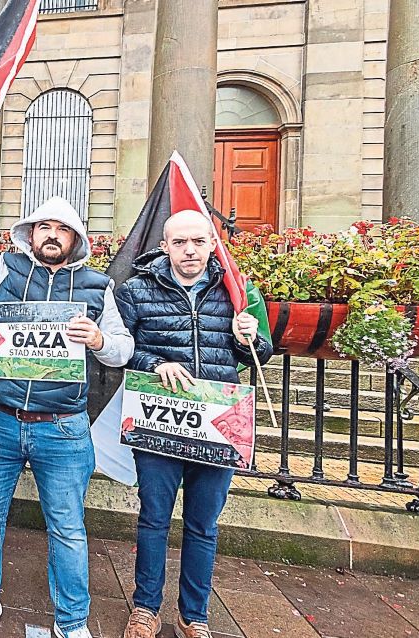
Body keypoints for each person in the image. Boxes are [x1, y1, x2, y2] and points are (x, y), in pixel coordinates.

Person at [0, 165, 134, 638]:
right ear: (30, 232)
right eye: (44, 226)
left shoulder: (98, 287)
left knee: (67, 528)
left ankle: (72, 620)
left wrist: (98, 340)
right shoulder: (5, 268)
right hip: (3, 417)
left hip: (63, 426)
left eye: (62, 229)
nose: (52, 235)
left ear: (76, 239)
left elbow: (124, 348)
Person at [115, 210, 273, 638]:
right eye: (180, 242)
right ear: (165, 246)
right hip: (160, 422)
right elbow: (122, 349)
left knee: (203, 525)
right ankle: (146, 609)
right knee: (153, 520)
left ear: (211, 245)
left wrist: (251, 337)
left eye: (198, 242)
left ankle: (194, 614)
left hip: (218, 423)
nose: (190, 250)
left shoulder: (235, 290)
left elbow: (261, 352)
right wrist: (155, 363)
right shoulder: (135, 290)